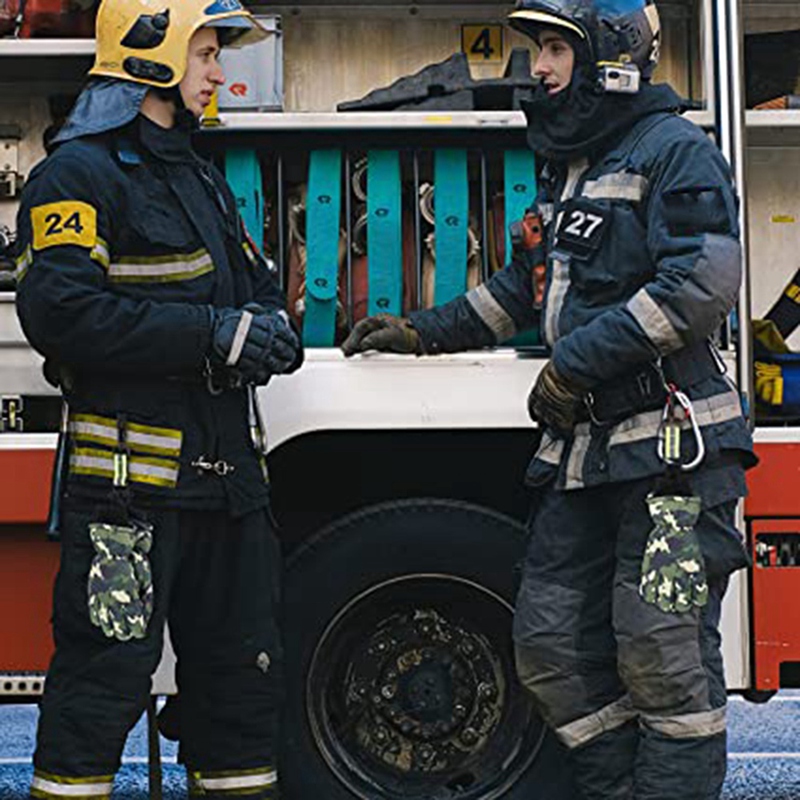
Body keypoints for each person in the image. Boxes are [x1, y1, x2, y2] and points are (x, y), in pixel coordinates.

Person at [341, 0, 756, 797]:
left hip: (672, 461)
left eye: (557, 48)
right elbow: (520, 290)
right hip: (586, 459)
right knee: (550, 648)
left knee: (662, 656)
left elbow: (699, 288)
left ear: (612, 57)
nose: (539, 66)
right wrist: (420, 332)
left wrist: (573, 368)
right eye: (540, 49)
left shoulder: (677, 151)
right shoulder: (573, 166)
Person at [15, 1, 301, 797]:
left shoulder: (200, 176)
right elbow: (61, 313)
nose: (219, 73)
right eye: (205, 54)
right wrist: (212, 335)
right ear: (152, 57)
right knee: (99, 690)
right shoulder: (75, 176)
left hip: (229, 494)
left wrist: (269, 331)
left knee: (242, 691)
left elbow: (255, 290)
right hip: (127, 501)